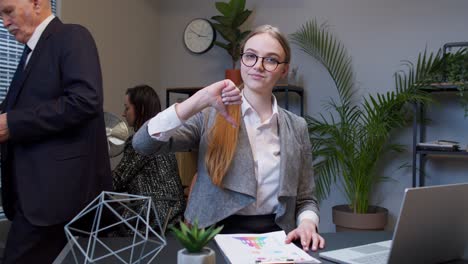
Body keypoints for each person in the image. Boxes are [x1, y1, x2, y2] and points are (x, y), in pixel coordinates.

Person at [133, 25, 325, 251]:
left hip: (277, 241)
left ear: (284, 70)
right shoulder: (209, 115)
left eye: (271, 60)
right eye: (251, 56)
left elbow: (305, 199)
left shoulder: (296, 126)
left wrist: (307, 223)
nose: (258, 66)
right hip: (212, 238)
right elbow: (142, 144)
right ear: (242, 60)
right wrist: (199, 99)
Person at [0, 0, 112, 263]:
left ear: (37, 3)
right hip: (31, 200)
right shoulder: (28, 54)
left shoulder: (72, 36)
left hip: (56, 201)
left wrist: (12, 124)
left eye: (8, 12)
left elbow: (85, 100)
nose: (4, 23)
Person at [112, 85, 185, 234]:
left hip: (153, 222)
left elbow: (117, 182)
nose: (123, 114)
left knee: (97, 217)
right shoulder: (163, 138)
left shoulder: (141, 142)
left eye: (127, 108)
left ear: (141, 110)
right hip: (173, 221)